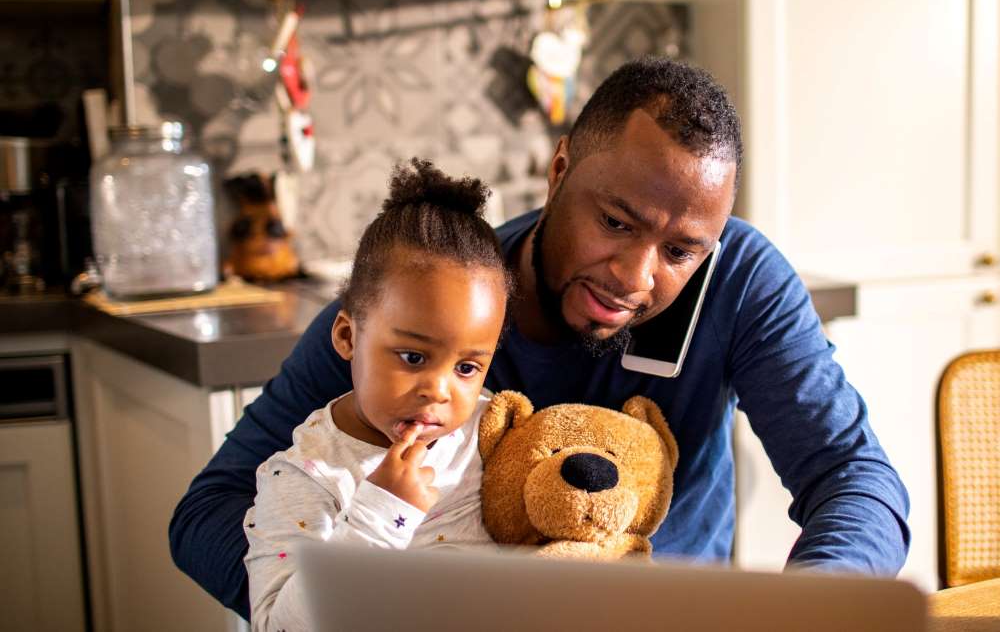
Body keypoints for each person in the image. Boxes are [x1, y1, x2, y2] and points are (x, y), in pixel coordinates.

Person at [170, 56, 910, 621]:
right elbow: (209, 511)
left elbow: (854, 476)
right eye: (615, 222)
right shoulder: (440, 307)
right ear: (559, 173)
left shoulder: (738, 280)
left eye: (680, 250)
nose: (634, 276)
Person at [242, 159, 510, 630]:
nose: (438, 390)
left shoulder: (491, 434)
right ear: (347, 337)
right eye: (412, 357)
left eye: (467, 367)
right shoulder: (306, 478)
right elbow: (279, 626)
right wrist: (382, 514)